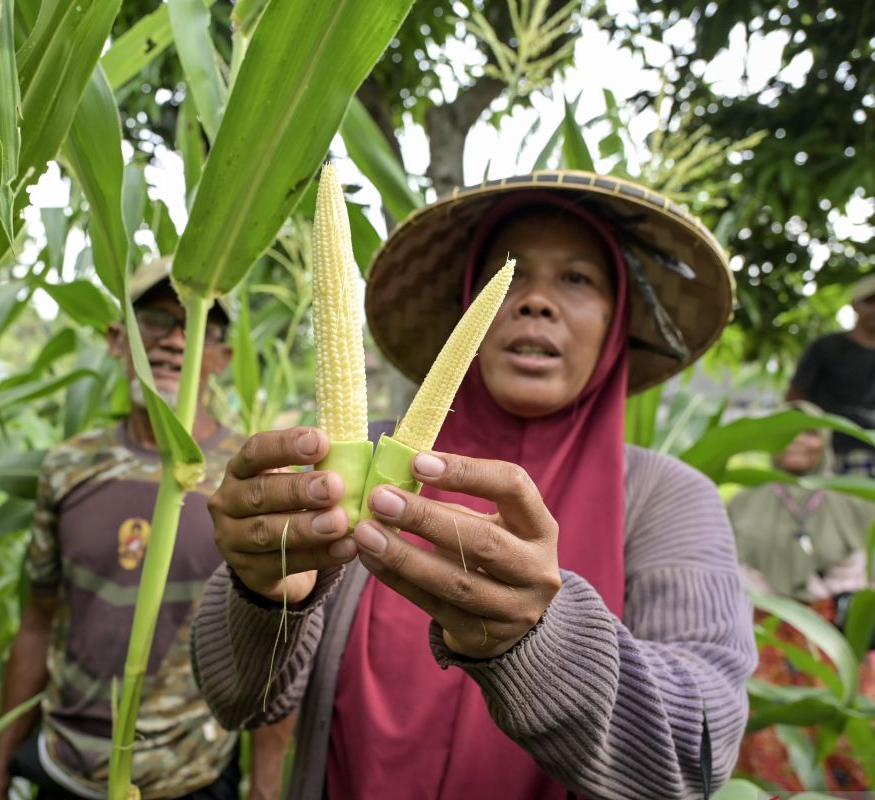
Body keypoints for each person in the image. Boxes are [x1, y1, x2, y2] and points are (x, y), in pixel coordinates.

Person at [190, 172, 758, 799]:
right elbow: (239, 702)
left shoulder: (668, 498)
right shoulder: (357, 457)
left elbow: (693, 759)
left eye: (577, 278)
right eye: (508, 277)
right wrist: (266, 595)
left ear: (616, 321)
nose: (536, 302)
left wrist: (541, 637)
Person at [0, 259, 293, 800]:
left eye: (194, 327)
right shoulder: (68, 468)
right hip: (64, 768)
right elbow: (37, 622)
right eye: (154, 320)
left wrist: (265, 789)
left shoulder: (249, 480)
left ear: (219, 357)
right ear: (116, 339)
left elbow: (273, 648)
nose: (174, 341)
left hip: (189, 774)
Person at [728, 408, 875, 791]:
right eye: (785, 432)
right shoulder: (742, 504)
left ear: (824, 441)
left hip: (834, 639)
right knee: (768, 735)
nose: (795, 440)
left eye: (808, 432)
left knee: (845, 731)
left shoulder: (854, 503)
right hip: (763, 638)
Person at [787, 273, 875, 477]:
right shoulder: (826, 347)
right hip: (831, 453)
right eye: (870, 302)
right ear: (854, 305)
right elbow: (795, 397)